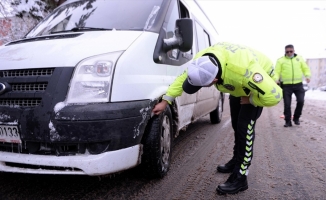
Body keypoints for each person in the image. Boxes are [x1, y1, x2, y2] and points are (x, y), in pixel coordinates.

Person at [152, 42, 282, 195]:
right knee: (235, 123)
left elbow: (275, 96)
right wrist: (166, 100)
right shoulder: (202, 61)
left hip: (258, 81)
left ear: (213, 81)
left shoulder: (244, 72)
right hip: (235, 81)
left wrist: (252, 99)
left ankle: (241, 177)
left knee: (244, 129)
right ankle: (236, 160)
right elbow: (183, 79)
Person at [274, 44, 311, 127]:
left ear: (294, 51)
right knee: (287, 104)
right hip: (286, 86)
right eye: (287, 52)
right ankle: (287, 121)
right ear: (285, 52)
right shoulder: (281, 60)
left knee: (301, 101)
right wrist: (276, 79)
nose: (289, 53)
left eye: (291, 51)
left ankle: (296, 117)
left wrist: (307, 76)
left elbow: (305, 68)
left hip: (298, 85)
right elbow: (277, 71)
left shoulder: (299, 59)